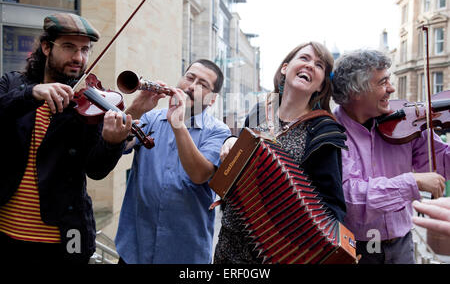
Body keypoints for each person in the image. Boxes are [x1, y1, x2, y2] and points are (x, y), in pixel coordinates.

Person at [0, 13, 132, 264]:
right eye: (69, 47)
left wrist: (112, 143)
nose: (79, 58)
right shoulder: (14, 83)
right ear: (46, 47)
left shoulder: (88, 104)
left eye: (85, 50)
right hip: (7, 230)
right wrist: (31, 93)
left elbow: (96, 169)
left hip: (65, 236)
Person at [214, 42, 348, 264]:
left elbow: (333, 208)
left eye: (319, 65)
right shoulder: (258, 113)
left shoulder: (324, 131)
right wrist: (231, 141)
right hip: (229, 244)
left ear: (321, 85)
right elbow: (237, 170)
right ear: (285, 68)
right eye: (304, 58)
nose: (310, 66)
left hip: (276, 254)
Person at [331, 49, 449, 264]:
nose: (392, 88)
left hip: (402, 242)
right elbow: (351, 199)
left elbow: (444, 164)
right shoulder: (332, 132)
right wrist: (412, 181)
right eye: (382, 82)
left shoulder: (406, 123)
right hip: (356, 248)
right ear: (356, 91)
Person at [115, 59, 231, 264]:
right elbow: (117, 144)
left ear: (212, 99)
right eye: (189, 77)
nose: (191, 86)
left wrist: (178, 124)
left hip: (184, 255)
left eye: (203, 85)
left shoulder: (218, 131)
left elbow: (199, 174)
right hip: (135, 249)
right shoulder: (150, 118)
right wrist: (137, 107)